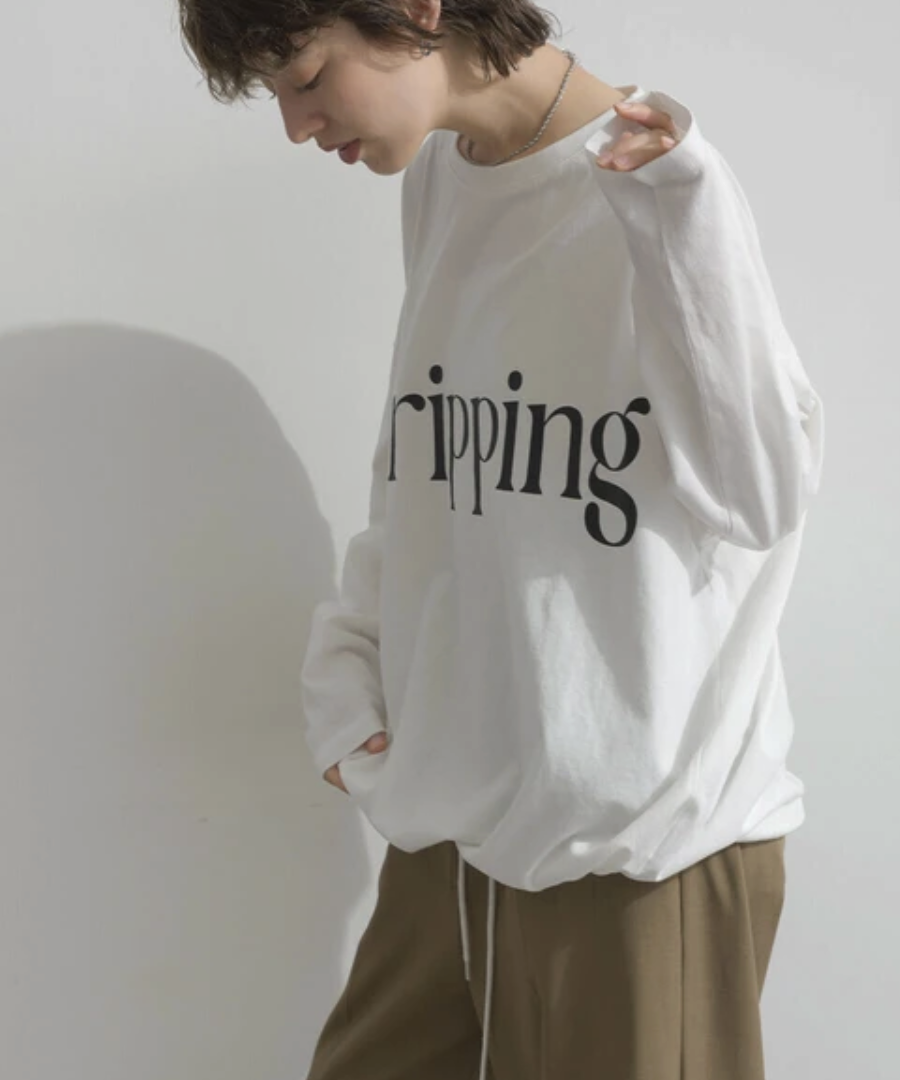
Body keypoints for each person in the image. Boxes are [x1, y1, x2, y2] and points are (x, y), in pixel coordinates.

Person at [177, 2, 826, 1078]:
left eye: (307, 75)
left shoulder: (659, 178)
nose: (297, 125)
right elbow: (431, 472)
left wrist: (679, 218)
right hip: (460, 838)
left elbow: (762, 497)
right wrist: (353, 669)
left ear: (415, 9)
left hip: (638, 858)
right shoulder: (444, 178)